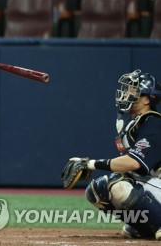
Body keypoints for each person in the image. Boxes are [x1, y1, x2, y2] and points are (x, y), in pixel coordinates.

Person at [69, 69, 161, 241]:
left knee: (118, 186)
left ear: (147, 99)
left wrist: (91, 164)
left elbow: (133, 163)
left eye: (133, 91)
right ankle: (145, 226)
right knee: (97, 190)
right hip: (154, 183)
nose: (126, 94)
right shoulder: (133, 123)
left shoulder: (153, 123)